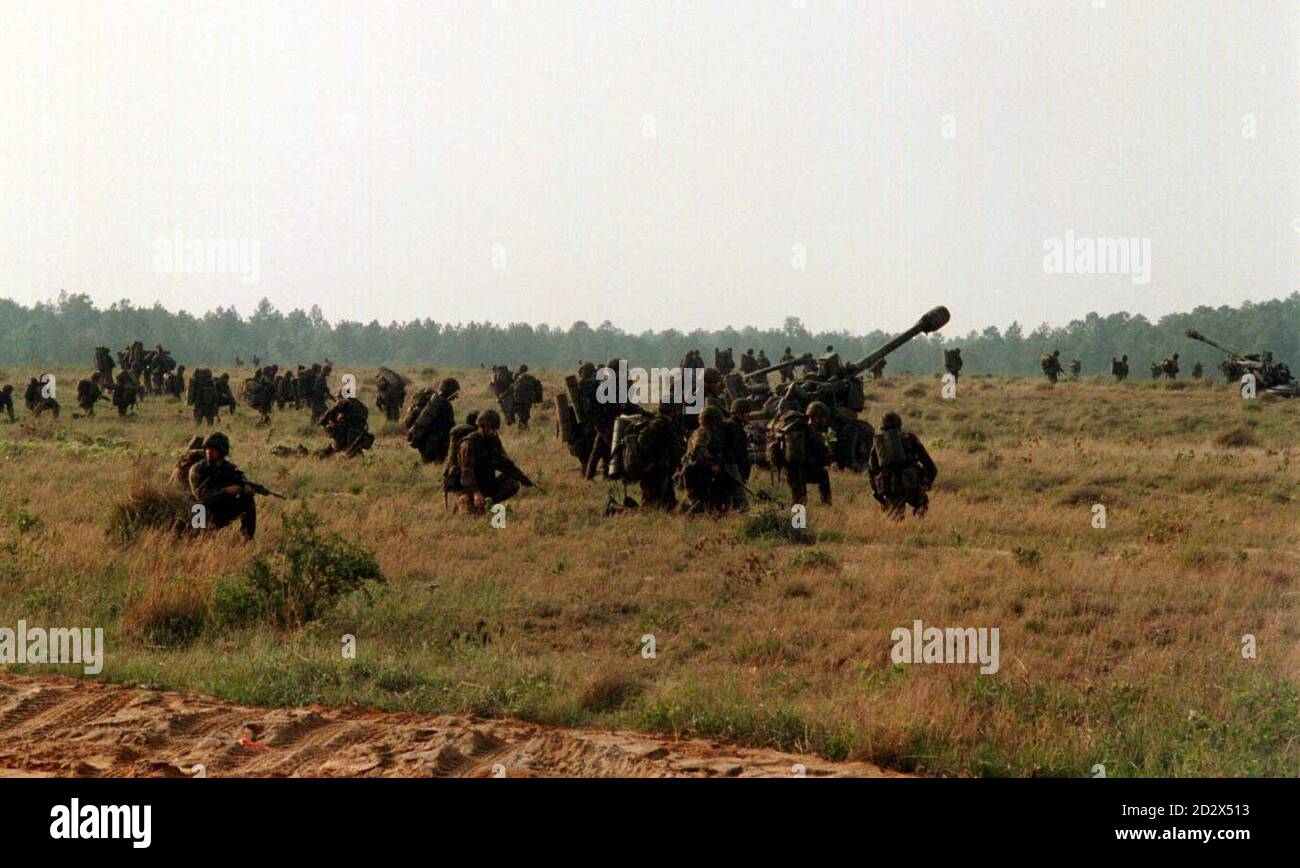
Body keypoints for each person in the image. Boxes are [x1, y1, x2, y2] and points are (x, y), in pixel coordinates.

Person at [447, 409, 534, 513]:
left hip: (486, 482)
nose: (493, 432)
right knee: (468, 510)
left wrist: (522, 477)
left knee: (513, 483)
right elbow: (467, 473)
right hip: (467, 487)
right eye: (491, 428)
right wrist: (476, 493)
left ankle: (485, 505)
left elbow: (503, 463)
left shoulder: (493, 440)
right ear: (482, 427)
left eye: (495, 429)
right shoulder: (468, 444)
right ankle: (465, 502)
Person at [187, 432, 258, 540]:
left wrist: (246, 488)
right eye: (207, 449)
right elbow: (202, 496)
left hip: (221, 510)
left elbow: (241, 479)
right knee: (198, 507)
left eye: (213, 449)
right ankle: (198, 539)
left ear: (222, 452)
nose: (208, 452)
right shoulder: (198, 469)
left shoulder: (230, 469)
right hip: (201, 512)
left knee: (248, 500)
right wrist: (226, 491)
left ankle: (247, 538)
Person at [868, 411, 937, 520]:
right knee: (922, 504)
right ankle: (920, 526)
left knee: (895, 517)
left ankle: (899, 533)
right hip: (910, 482)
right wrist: (927, 480)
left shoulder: (878, 443)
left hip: (889, 485)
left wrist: (877, 491)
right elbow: (927, 462)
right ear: (899, 423)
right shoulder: (909, 438)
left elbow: (872, 469)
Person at [781, 401, 833, 507]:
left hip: (791, 470)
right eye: (823, 418)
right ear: (816, 417)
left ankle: (795, 521)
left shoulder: (798, 428)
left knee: (798, 499)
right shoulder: (812, 431)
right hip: (805, 469)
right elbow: (822, 449)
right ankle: (827, 505)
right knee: (823, 477)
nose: (824, 421)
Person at [405, 377, 459, 463]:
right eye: (455, 393)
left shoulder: (429, 399)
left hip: (421, 438)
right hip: (435, 442)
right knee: (435, 464)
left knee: (426, 463)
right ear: (450, 391)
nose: (456, 397)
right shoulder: (445, 405)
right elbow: (450, 427)